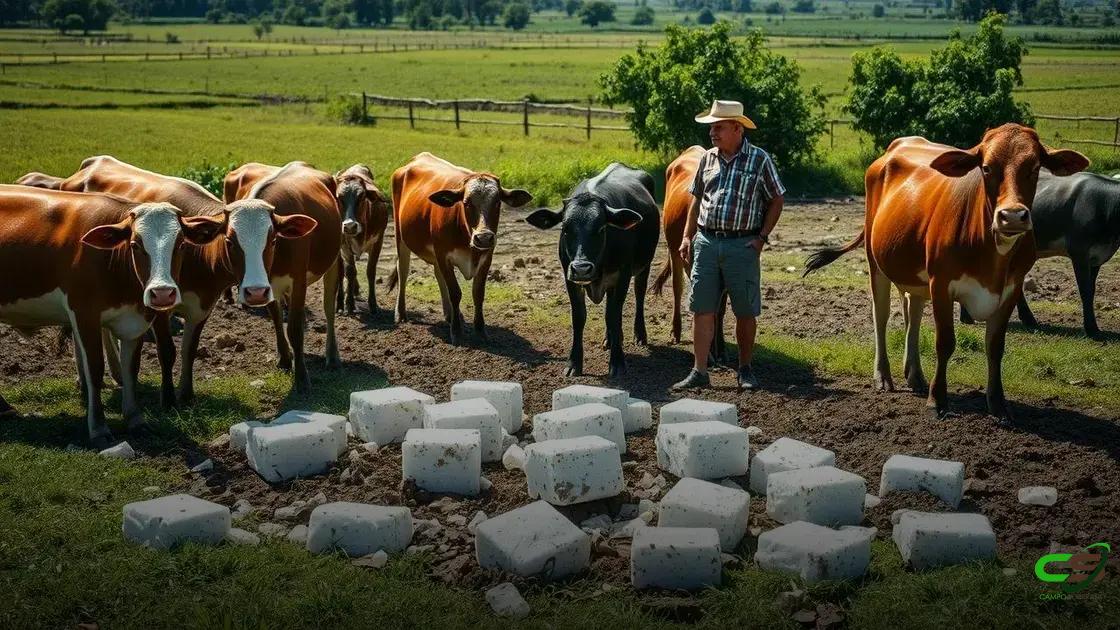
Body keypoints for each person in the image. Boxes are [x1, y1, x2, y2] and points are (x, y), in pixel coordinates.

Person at [672, 99, 785, 392]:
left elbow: (777, 199)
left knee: (745, 311)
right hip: (707, 241)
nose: (712, 133)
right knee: (702, 308)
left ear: (737, 128)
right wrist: (687, 236)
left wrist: (761, 237)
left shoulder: (759, 160)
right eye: (711, 127)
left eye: (718, 127)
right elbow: (696, 199)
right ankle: (699, 370)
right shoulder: (707, 159)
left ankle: (744, 369)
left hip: (742, 244)